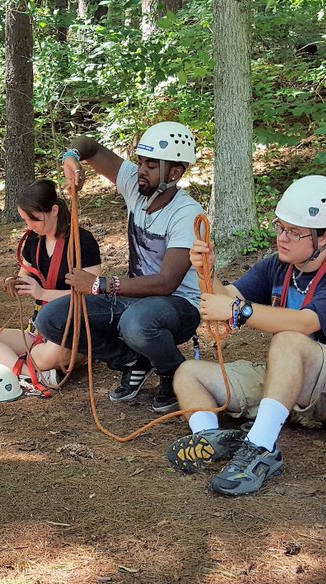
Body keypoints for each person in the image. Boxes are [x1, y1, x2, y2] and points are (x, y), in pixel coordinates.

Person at [166, 176, 326, 496]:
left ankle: (261, 447)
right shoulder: (276, 266)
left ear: (324, 237)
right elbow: (227, 297)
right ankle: (209, 438)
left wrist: (239, 310)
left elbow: (304, 323)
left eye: (294, 231)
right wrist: (208, 271)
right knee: (188, 372)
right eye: (280, 227)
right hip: (287, 379)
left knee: (288, 337)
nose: (282, 237)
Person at [35, 121, 203, 413]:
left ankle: (172, 371)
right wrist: (72, 158)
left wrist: (98, 285)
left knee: (135, 323)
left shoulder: (186, 214)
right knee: (51, 319)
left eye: (151, 165)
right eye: (141, 162)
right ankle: (132, 361)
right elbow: (90, 147)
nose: (141, 170)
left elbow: (167, 282)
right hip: (135, 299)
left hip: (179, 306)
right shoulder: (137, 186)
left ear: (174, 173)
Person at [0, 179, 102, 388]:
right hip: (38, 331)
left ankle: (6, 362)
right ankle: (29, 374)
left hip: (73, 329)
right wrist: (12, 282)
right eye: (25, 220)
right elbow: (22, 277)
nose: (29, 226)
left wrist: (43, 293)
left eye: (34, 220)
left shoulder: (82, 241)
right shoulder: (34, 240)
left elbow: (93, 294)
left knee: (47, 354)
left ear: (54, 210)